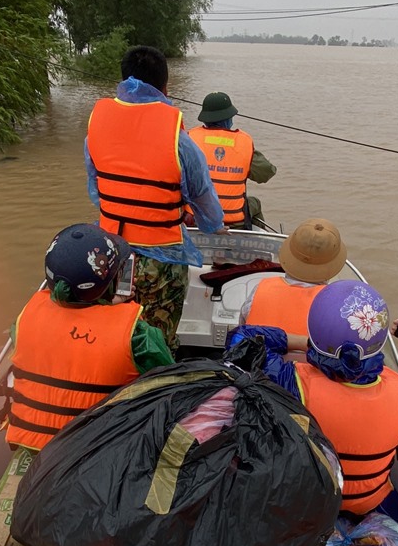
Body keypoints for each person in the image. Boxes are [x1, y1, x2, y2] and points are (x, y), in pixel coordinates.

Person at [227, 280, 398, 520]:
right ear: (379, 343)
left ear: (315, 335)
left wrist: (305, 343)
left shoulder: (292, 385)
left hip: (306, 506)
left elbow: (241, 340)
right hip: (368, 507)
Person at [85, 46, 225, 353]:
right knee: (157, 343)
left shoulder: (96, 123)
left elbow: (97, 192)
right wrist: (206, 222)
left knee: (116, 336)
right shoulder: (180, 140)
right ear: (165, 86)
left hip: (107, 255)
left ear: (122, 80)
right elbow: (206, 206)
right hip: (160, 265)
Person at [5, 223, 173, 450]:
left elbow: (65, 344)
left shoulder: (24, 319)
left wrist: (103, 306)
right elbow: (169, 385)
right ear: (111, 282)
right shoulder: (138, 335)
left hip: (34, 445)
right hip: (95, 453)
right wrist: (111, 310)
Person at [239, 218, 348, 337]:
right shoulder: (339, 306)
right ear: (333, 265)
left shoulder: (258, 291)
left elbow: (242, 332)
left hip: (260, 354)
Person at [189, 91, 276, 228]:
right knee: (255, 203)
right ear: (229, 119)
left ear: (205, 119)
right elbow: (267, 173)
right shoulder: (243, 143)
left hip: (195, 220)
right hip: (234, 223)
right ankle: (253, 240)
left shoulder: (190, 139)